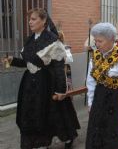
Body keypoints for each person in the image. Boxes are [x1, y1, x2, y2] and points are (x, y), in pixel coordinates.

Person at [2, 8, 80, 149]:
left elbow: (58, 68)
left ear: (43, 21)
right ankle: (34, 142)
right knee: (30, 114)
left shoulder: (52, 40)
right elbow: (28, 63)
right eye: (29, 19)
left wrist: (61, 91)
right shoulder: (30, 39)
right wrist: (13, 60)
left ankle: (64, 138)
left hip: (47, 83)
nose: (30, 22)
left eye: (33, 19)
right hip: (29, 84)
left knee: (52, 114)